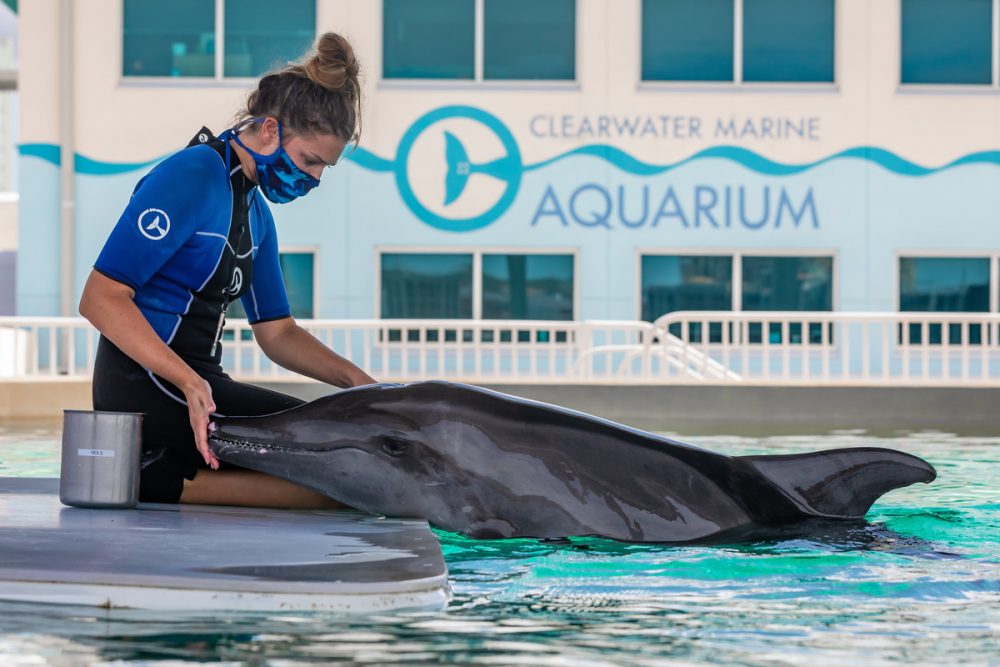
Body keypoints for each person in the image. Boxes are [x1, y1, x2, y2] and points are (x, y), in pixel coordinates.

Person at [79, 33, 375, 508]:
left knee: (353, 461)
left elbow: (277, 332)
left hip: (202, 388)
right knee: (345, 462)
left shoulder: (257, 215)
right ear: (271, 130)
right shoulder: (194, 175)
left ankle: (165, 478)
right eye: (310, 160)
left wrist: (361, 385)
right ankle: (159, 478)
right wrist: (189, 381)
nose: (315, 179)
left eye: (325, 169)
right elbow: (100, 297)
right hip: (149, 388)